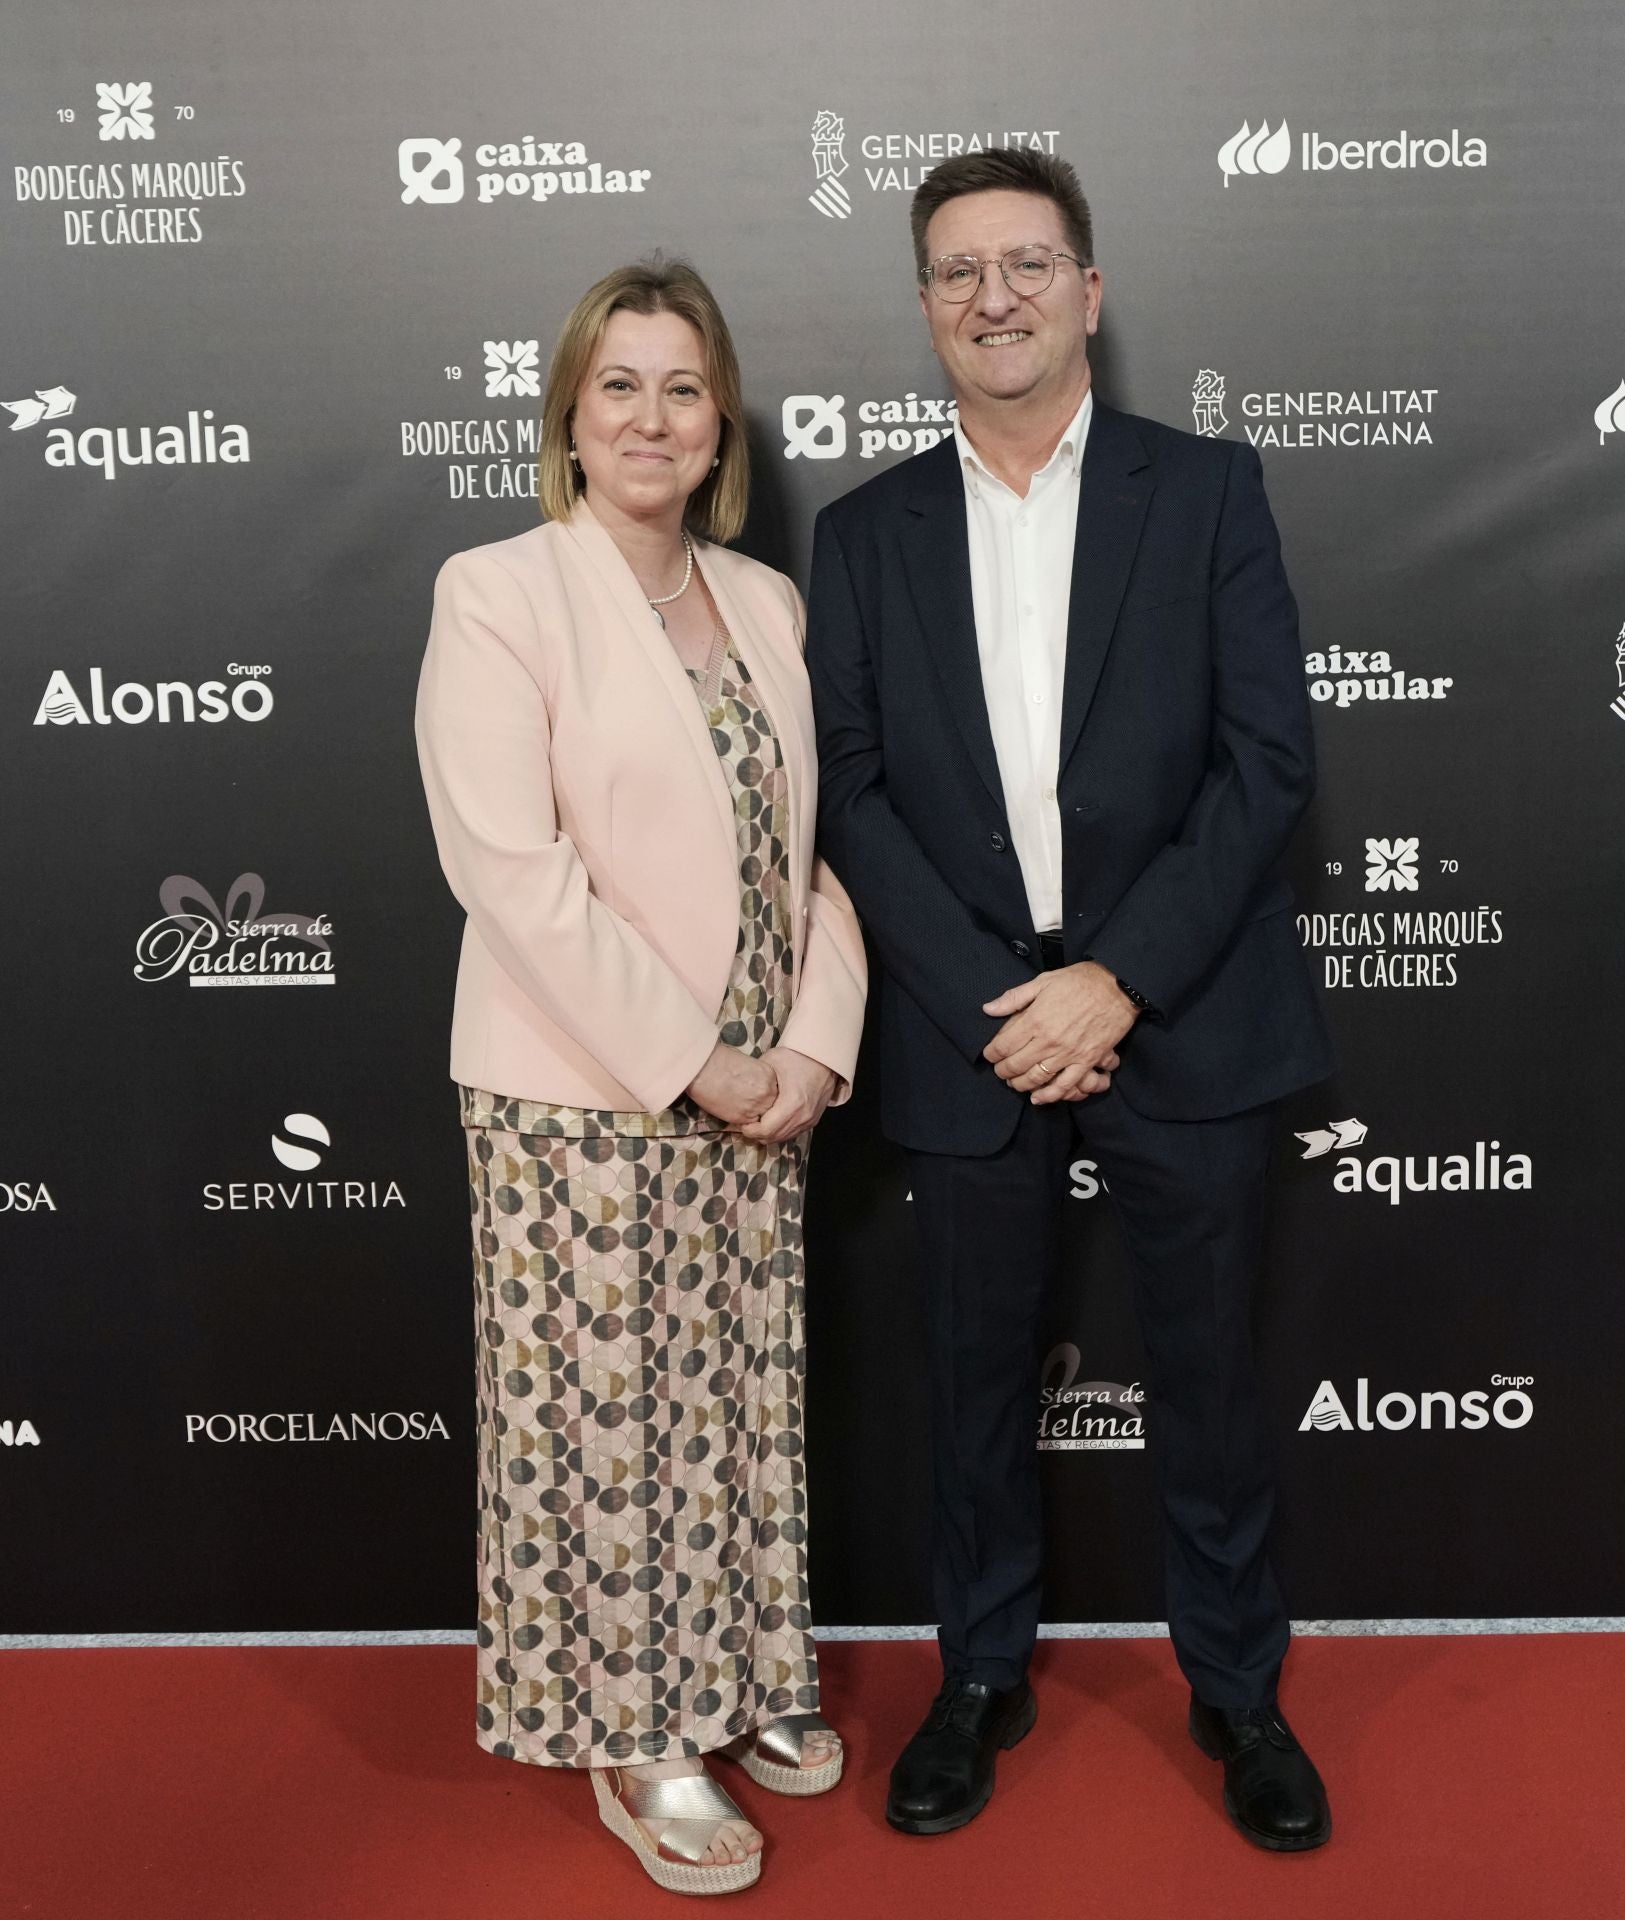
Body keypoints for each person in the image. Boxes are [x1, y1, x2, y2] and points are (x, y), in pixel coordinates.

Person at [806, 148, 1335, 1852]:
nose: (994, 297)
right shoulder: (864, 532)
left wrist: (1112, 980)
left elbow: (1265, 768)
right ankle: (978, 1676)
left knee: (1209, 1377)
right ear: (924, 310)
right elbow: (853, 791)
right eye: (957, 272)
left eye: (1025, 263)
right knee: (967, 1380)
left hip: (1178, 1004)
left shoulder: (1207, 493)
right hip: (967, 1027)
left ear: (1087, 293)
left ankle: (1238, 1690)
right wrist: (995, 997)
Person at [416, 258, 867, 1896]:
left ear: (719, 416)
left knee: (734, 1411)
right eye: (620, 385)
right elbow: (511, 873)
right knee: (606, 1432)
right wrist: (694, 1064)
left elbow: (810, 856)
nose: (652, 417)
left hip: (760, 1098)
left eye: (683, 387)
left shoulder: (764, 602)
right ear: (569, 414)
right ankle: (632, 1737)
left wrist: (808, 1046)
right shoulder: (500, 591)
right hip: (577, 1098)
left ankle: (734, 1679)